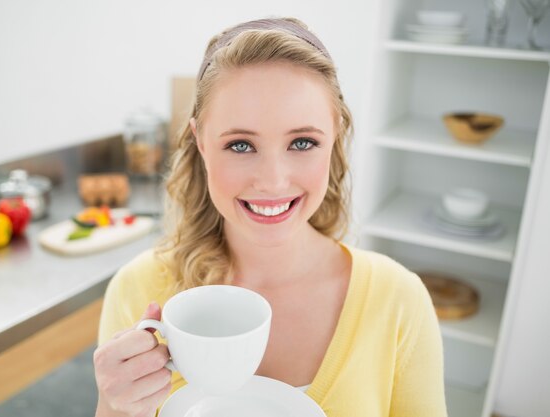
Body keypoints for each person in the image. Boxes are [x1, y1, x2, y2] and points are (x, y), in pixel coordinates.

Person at [93, 17, 448, 417]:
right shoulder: (138, 289)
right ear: (201, 143)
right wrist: (112, 407)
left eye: (302, 142)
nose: (273, 181)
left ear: (335, 136)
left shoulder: (398, 299)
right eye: (241, 145)